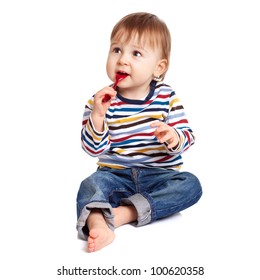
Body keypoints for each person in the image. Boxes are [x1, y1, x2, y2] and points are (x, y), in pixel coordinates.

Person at [76, 12, 202, 253]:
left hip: (159, 176)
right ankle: (97, 223)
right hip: (115, 175)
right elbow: (93, 149)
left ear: (159, 67)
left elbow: (188, 135)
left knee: (191, 184)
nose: (122, 60)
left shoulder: (166, 97)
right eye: (116, 50)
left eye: (136, 53)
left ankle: (125, 213)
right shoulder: (100, 100)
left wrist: (174, 137)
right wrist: (98, 117)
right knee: (90, 184)